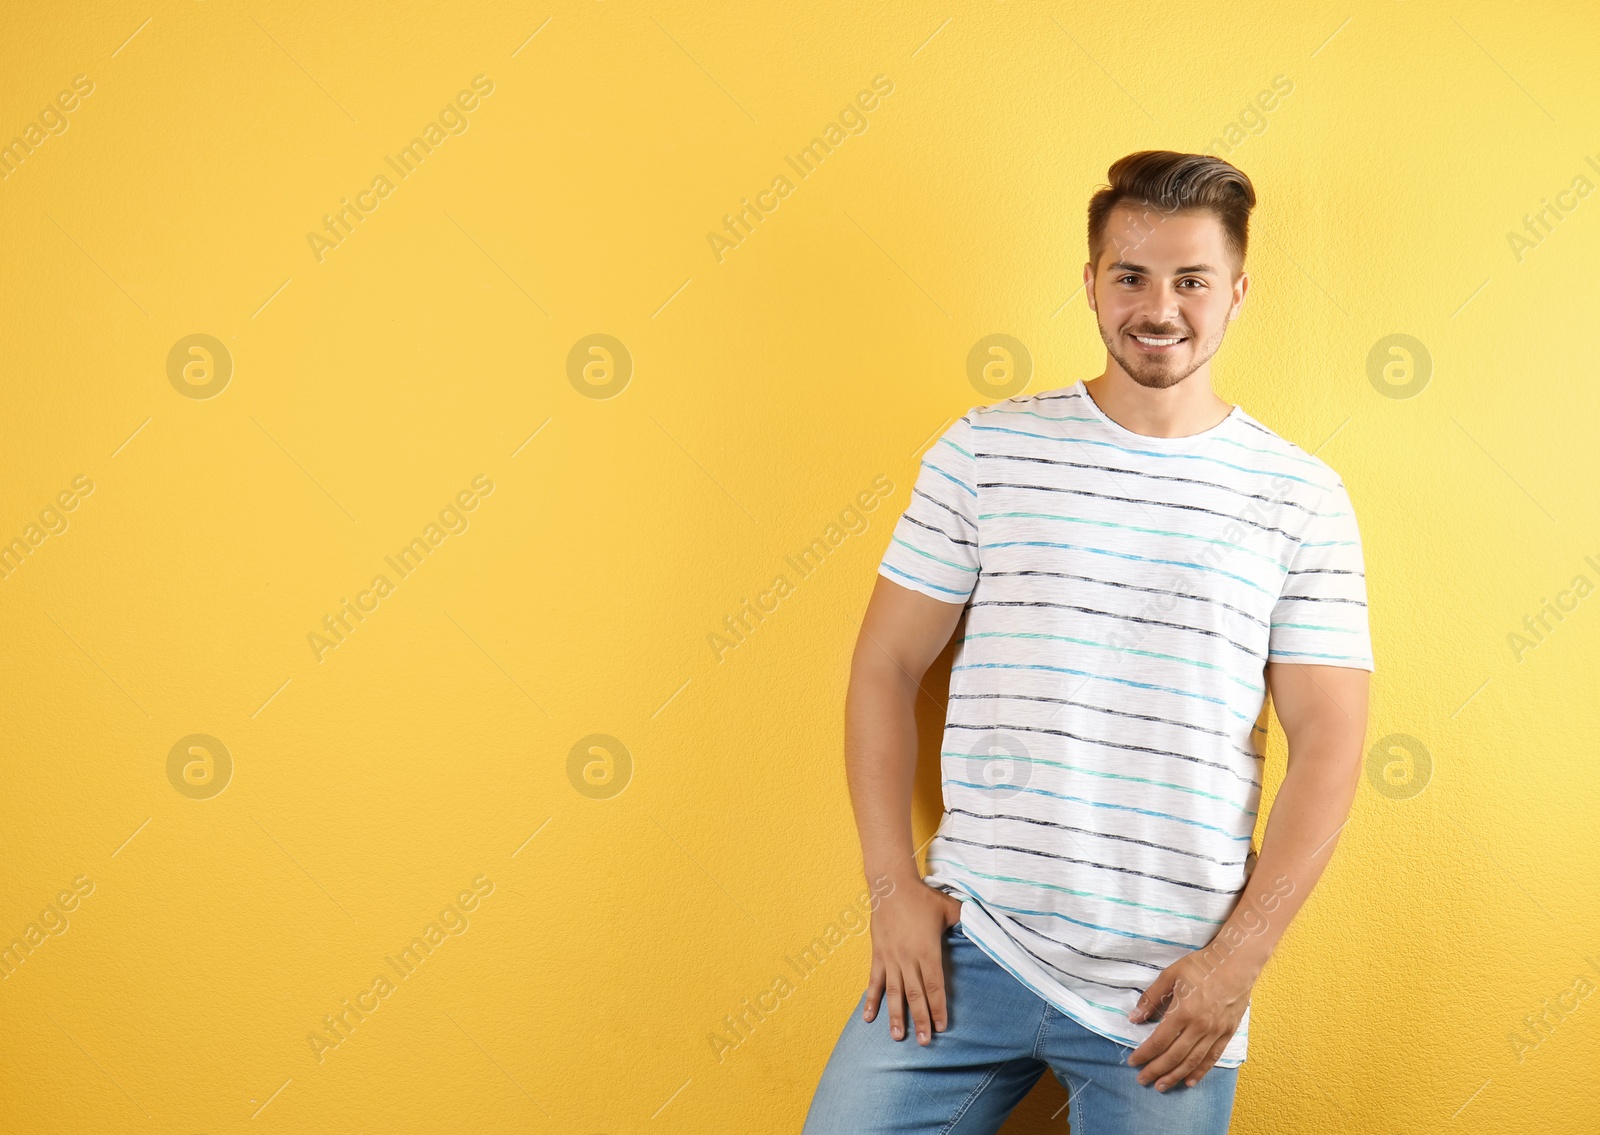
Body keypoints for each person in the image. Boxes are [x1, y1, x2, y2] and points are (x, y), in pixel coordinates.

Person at [801, 150, 1375, 1134]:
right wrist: (891, 884)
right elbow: (886, 665)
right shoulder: (985, 450)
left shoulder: (1300, 497)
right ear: (1090, 282)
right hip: (967, 949)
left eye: (1191, 280)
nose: (1159, 308)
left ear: (1236, 292)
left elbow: (1329, 741)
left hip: (1169, 991)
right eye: (1131, 276)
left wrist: (1236, 962)